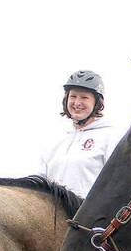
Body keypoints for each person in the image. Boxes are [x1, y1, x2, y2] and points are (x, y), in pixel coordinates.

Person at [39, 70, 121, 199]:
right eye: (73, 96)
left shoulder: (110, 137)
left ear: (97, 103)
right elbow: (40, 181)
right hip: (50, 215)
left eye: (84, 97)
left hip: (86, 215)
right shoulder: (56, 138)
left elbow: (116, 183)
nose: (77, 103)